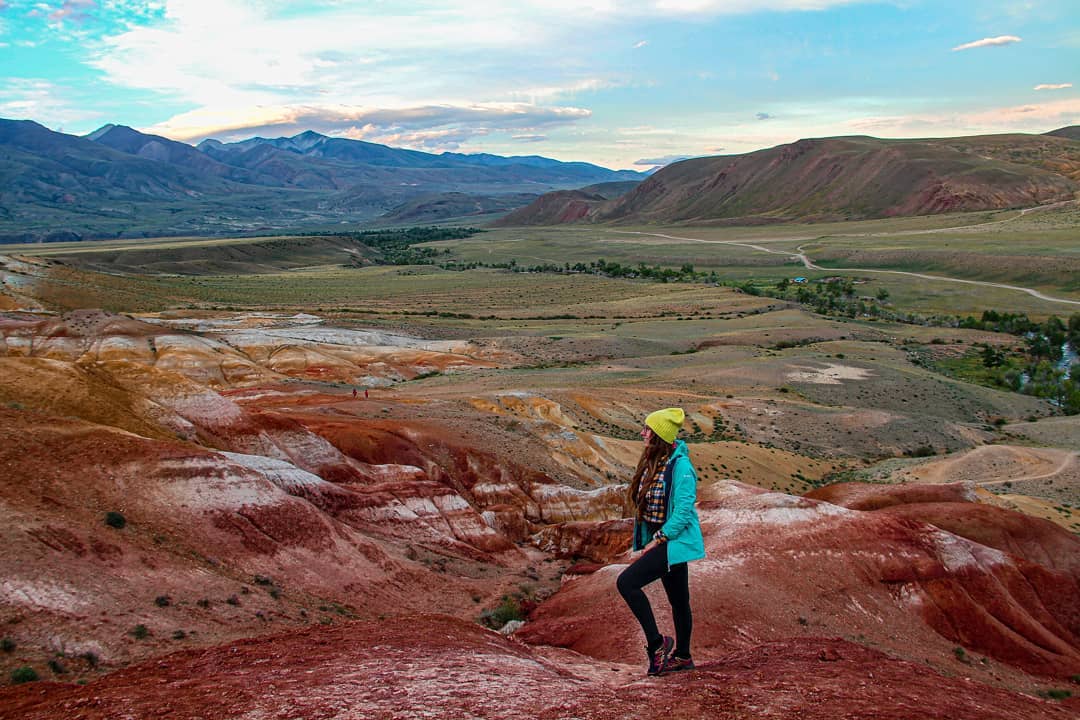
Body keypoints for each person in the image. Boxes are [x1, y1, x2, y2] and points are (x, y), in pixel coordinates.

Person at [616, 407, 705, 676]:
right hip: (662, 537)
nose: (643, 433)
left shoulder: (681, 467)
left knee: (627, 583)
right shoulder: (655, 460)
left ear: (660, 435)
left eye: (647, 430)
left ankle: (657, 644)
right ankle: (684, 657)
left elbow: (684, 511)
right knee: (679, 600)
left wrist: (658, 540)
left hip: (671, 540)